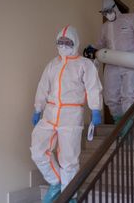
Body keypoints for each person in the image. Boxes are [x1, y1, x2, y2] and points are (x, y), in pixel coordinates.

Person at [30, 25, 103, 203]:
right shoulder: (52, 64)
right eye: (60, 42)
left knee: (69, 159)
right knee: (38, 151)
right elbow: (42, 87)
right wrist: (37, 108)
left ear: (75, 42)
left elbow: (93, 88)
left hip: (71, 115)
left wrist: (95, 109)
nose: (63, 45)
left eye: (67, 42)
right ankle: (56, 182)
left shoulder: (84, 64)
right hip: (50, 112)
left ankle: (70, 195)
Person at [89, 0, 134, 126]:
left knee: (128, 95)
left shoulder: (130, 18)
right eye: (104, 13)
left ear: (115, 8)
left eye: (108, 11)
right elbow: (101, 43)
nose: (107, 14)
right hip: (112, 64)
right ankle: (119, 122)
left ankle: (129, 124)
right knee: (110, 97)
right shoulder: (104, 27)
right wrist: (93, 48)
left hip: (130, 61)